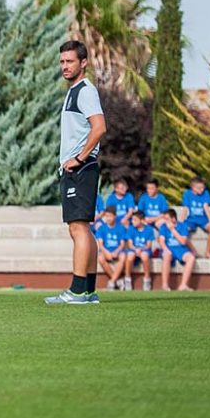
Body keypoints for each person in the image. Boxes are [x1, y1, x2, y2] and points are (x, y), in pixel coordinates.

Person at [46, 40, 107, 305]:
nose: (65, 66)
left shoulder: (85, 90)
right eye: (62, 61)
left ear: (83, 63)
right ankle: (88, 290)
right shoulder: (74, 91)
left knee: (77, 228)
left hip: (81, 169)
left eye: (70, 61)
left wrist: (79, 159)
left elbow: (99, 127)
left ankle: (77, 290)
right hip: (78, 168)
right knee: (83, 229)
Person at [157, 209, 197, 291]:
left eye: (167, 219)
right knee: (166, 255)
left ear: (174, 218)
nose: (165, 221)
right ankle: (165, 285)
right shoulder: (163, 226)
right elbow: (161, 241)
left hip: (180, 249)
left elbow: (183, 241)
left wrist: (172, 230)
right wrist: (165, 249)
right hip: (169, 248)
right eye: (164, 218)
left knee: (191, 258)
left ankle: (183, 285)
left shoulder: (183, 226)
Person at [181, 176, 210, 258]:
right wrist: (181, 220)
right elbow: (186, 208)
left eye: (203, 187)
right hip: (191, 220)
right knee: (182, 230)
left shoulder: (205, 193)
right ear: (193, 187)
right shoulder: (187, 193)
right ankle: (193, 251)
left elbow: (206, 207)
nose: (202, 189)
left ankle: (208, 252)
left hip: (203, 219)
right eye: (199, 188)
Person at [95, 207, 127, 290]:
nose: (108, 218)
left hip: (117, 251)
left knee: (123, 256)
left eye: (110, 216)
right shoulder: (102, 228)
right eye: (106, 216)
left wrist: (116, 251)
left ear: (115, 216)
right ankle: (118, 280)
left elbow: (122, 244)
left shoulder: (120, 227)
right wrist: (106, 253)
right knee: (101, 258)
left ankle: (112, 281)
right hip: (106, 250)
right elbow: (100, 244)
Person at [126, 210, 157, 291]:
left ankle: (147, 279)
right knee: (130, 256)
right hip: (134, 249)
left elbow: (149, 245)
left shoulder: (149, 229)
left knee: (144, 256)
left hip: (144, 250)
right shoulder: (131, 228)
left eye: (135, 220)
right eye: (132, 219)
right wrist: (135, 249)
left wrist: (141, 249)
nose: (133, 221)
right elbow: (130, 244)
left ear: (142, 220)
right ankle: (127, 279)